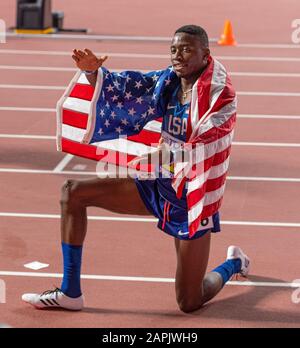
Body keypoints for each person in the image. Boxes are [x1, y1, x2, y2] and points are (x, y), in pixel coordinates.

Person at [22, 25, 250, 313]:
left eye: (187, 49)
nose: (178, 56)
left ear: (206, 54)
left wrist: (168, 153)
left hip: (190, 195)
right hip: (156, 180)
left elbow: (211, 138)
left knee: (189, 301)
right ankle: (70, 292)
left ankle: (234, 263)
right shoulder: (168, 80)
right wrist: (93, 74)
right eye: (174, 49)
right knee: (73, 193)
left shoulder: (220, 93)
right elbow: (129, 87)